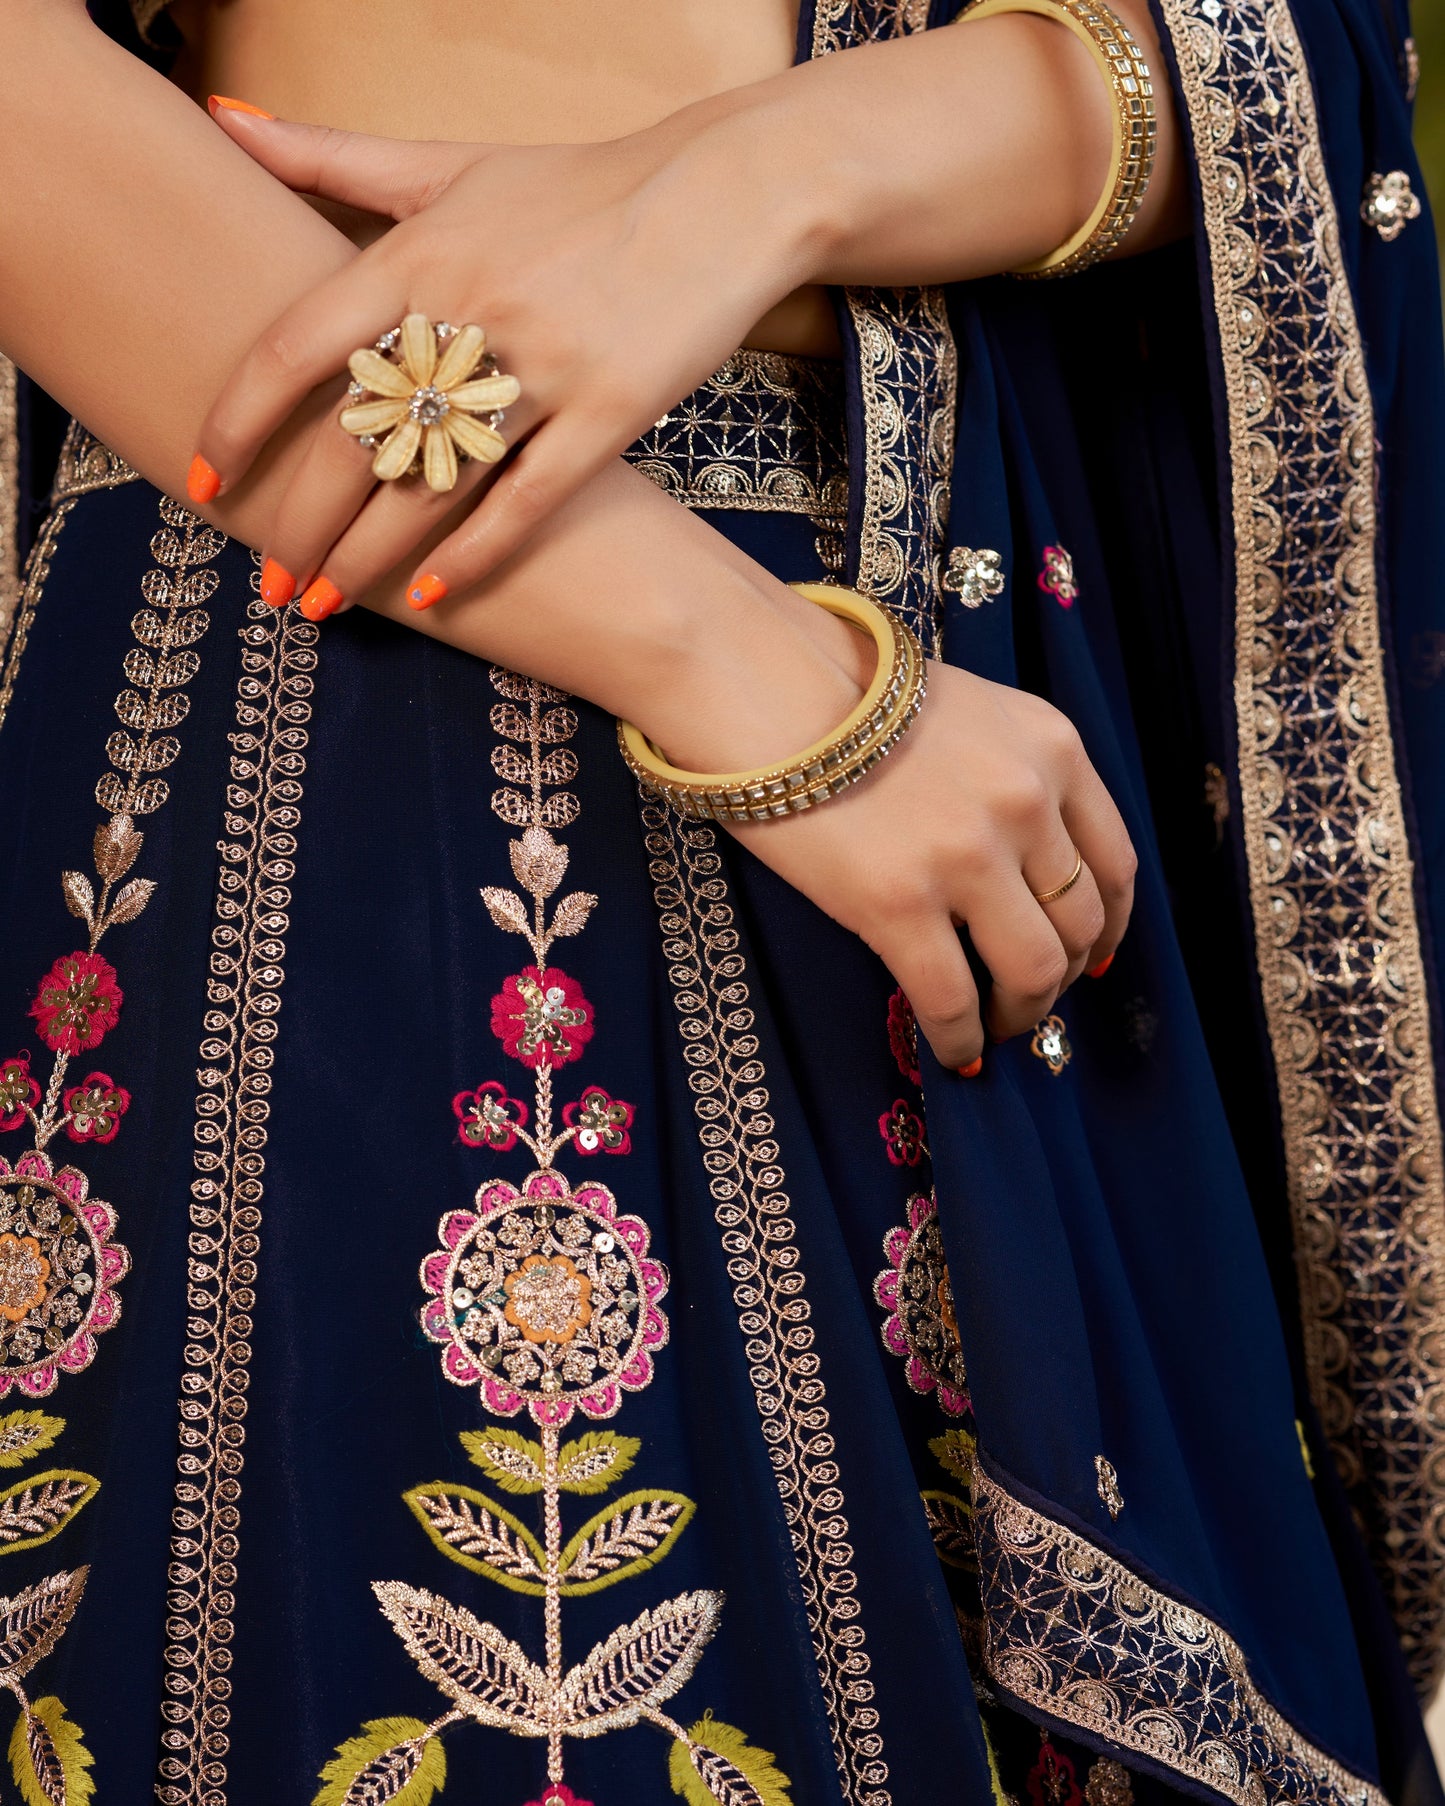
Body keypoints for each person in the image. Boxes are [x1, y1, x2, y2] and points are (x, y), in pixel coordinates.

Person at [0, 0, 1442, 1801]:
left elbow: (1250, 58)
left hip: (973, 748)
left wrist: (755, 179)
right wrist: (737, 663)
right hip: (343, 666)